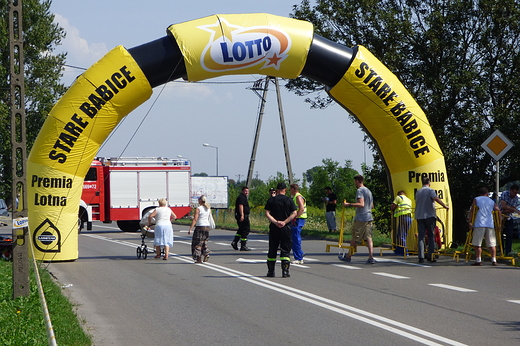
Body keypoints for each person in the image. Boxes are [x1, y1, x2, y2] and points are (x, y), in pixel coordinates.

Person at [342, 175, 376, 264]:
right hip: (369, 216)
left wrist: (349, 204)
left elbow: (361, 204)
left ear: (357, 181)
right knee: (369, 237)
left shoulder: (360, 190)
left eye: (355, 182)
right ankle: (371, 257)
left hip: (361, 217)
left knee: (355, 237)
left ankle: (348, 256)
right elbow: (372, 205)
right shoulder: (368, 191)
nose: (354, 184)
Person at [265, 182, 297, 277]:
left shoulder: (272, 200)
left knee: (273, 248)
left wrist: (275, 222)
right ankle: (285, 271)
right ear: (285, 190)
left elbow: (267, 213)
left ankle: (271, 271)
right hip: (286, 227)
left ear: (277, 190)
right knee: (285, 249)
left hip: (274, 227)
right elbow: (294, 213)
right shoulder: (289, 200)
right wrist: (284, 222)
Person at [415, 177, 449, 263]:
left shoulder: (418, 192)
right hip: (429, 215)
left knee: (421, 237)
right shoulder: (430, 190)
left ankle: (421, 257)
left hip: (419, 216)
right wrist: (445, 206)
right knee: (431, 236)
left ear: (422, 183)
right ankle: (430, 256)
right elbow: (436, 198)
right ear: (429, 183)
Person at [469, 187, 500, 266]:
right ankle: (494, 260)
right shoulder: (491, 201)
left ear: (479, 193)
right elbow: (498, 210)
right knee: (492, 244)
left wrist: (470, 222)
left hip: (479, 223)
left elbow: (472, 210)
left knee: (477, 244)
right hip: (489, 224)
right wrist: (499, 223)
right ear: (487, 194)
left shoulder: (477, 199)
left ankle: (478, 260)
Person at [188, 195, 212, 263]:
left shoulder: (198, 208)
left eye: (198, 199)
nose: (198, 200)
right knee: (204, 242)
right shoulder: (208, 208)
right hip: (207, 227)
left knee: (197, 243)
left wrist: (191, 228)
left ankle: (198, 258)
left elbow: (195, 219)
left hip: (200, 227)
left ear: (200, 200)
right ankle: (206, 253)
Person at [390, 190, 412, 256]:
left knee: (401, 236)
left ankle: (404, 252)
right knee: (402, 234)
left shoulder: (399, 197)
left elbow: (393, 207)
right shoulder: (409, 200)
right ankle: (399, 250)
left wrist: (391, 207)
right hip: (409, 217)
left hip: (403, 217)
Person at [499, 184, 519, 256]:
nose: (515, 194)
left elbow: (510, 211)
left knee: (509, 234)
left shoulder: (516, 198)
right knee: (499, 233)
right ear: (510, 190)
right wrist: (512, 208)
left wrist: (507, 209)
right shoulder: (505, 194)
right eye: (514, 192)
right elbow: (503, 205)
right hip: (500, 216)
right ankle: (500, 250)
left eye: (516, 193)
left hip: (508, 216)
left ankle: (508, 251)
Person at [290, 184, 307, 264]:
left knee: (295, 237)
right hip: (299, 219)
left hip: (299, 219)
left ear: (293, 189)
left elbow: (301, 208)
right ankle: (299, 253)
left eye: (290, 189)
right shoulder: (297, 196)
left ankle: (299, 257)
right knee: (295, 237)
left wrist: (295, 217)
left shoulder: (298, 197)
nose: (290, 191)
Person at [231, 186, 251, 251]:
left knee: (241, 229)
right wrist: (242, 215)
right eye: (245, 191)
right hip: (242, 216)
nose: (246, 192)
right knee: (246, 230)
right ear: (242, 191)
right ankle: (243, 246)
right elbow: (240, 206)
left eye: (247, 191)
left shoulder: (243, 197)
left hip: (242, 215)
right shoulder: (241, 197)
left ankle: (235, 242)